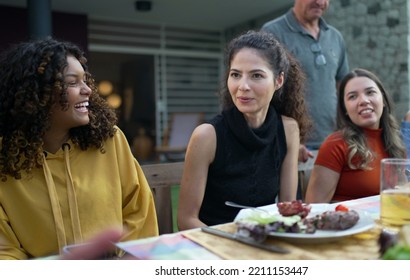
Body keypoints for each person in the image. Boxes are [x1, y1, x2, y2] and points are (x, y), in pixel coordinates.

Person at [0, 38, 158, 260]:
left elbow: (139, 214)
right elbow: (5, 252)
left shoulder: (110, 140)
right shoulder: (4, 158)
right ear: (36, 94)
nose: (88, 91)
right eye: (72, 82)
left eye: (85, 80)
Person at [177, 30, 310, 230]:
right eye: (235, 75)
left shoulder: (288, 128)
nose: (243, 86)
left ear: (278, 81)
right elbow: (186, 221)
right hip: (217, 245)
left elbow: (287, 208)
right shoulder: (207, 136)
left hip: (264, 239)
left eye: (256, 75)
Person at [261, 0, 349, 159]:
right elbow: (264, 92)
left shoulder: (335, 36)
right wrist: (289, 139)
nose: (320, 2)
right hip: (290, 146)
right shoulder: (272, 32)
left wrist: (347, 132)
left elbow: (343, 87)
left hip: (332, 142)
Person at [305, 68, 406, 203]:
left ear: (383, 100)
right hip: (348, 222)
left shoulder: (395, 142)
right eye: (352, 96)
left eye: (370, 92)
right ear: (345, 109)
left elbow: (403, 196)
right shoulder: (335, 144)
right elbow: (314, 208)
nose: (363, 101)